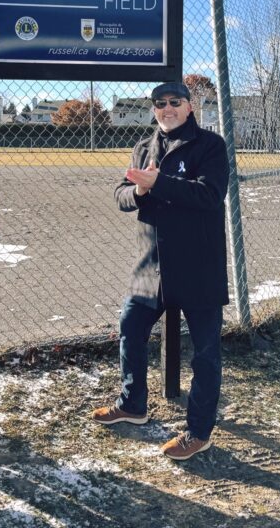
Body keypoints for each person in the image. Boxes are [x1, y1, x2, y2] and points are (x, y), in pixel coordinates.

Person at [91, 81, 229, 461]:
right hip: (151, 267)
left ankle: (199, 432)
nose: (167, 109)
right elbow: (122, 194)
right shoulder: (144, 147)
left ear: (189, 107)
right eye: (160, 104)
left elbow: (210, 194)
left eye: (175, 102)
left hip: (199, 268)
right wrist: (137, 192)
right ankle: (133, 405)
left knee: (205, 353)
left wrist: (159, 184)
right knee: (130, 329)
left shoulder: (210, 146)